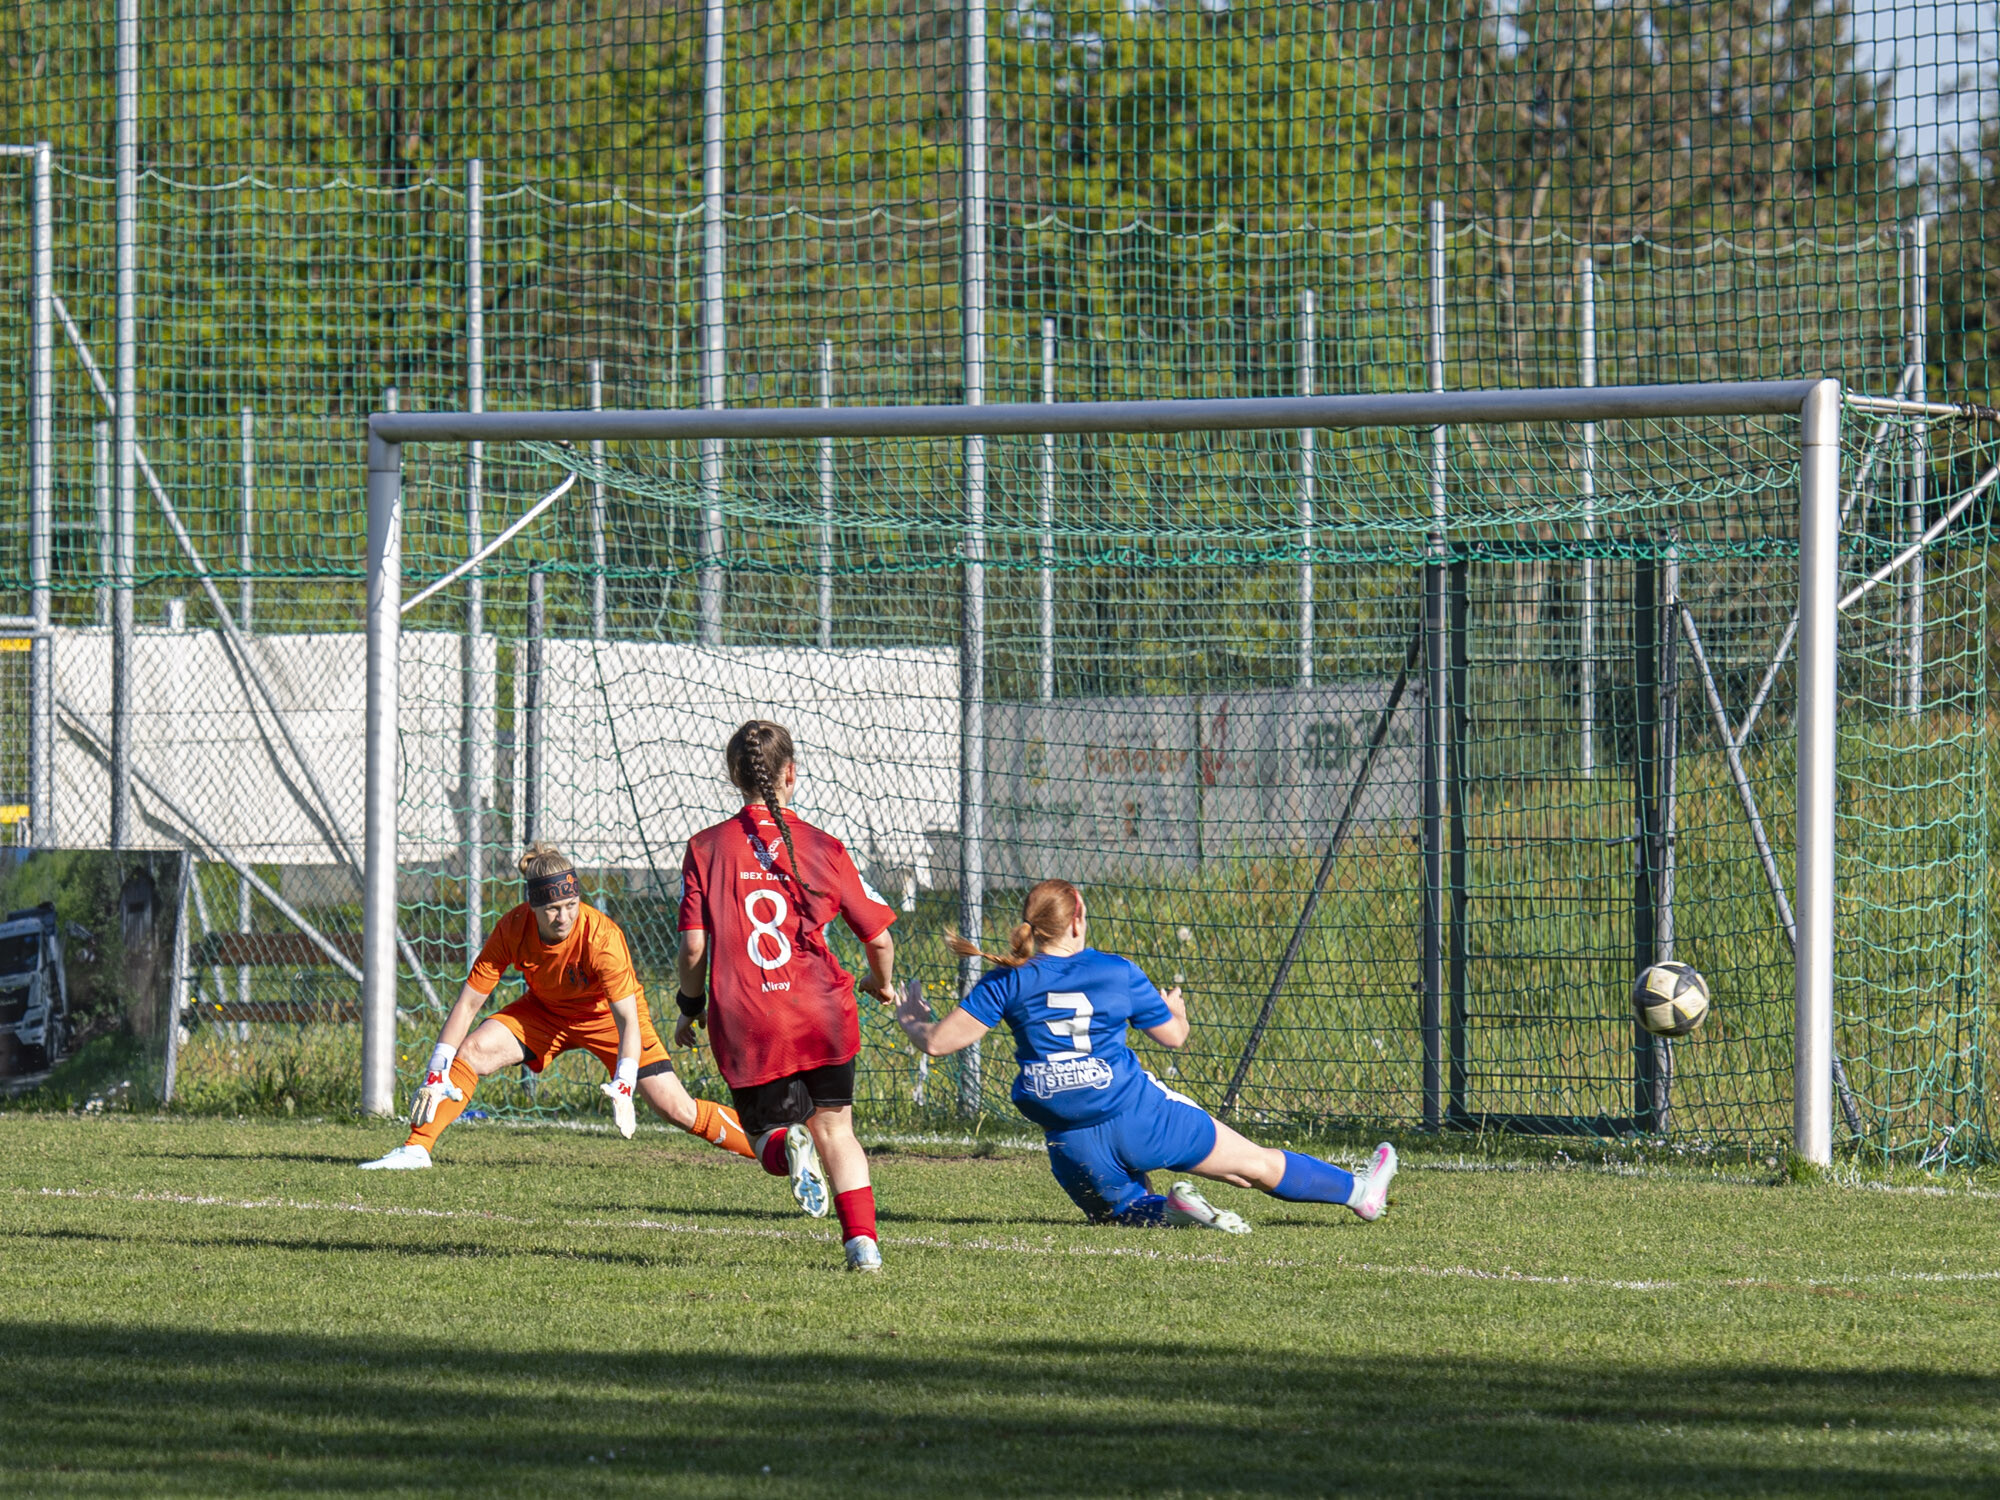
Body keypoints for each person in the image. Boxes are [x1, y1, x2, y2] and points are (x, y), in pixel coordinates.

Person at [895, 878, 1397, 1233]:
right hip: (1143, 1118)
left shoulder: (1007, 978)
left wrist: (912, 1017)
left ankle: (1173, 1211)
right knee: (1254, 1166)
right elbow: (1173, 1038)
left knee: (1118, 1212)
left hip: (1071, 1140)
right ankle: (1361, 1193)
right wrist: (1176, 1011)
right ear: (1078, 918)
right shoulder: (1118, 971)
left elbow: (937, 1042)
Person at [359, 844, 775, 1183]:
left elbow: (628, 1019)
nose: (564, 917)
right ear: (532, 907)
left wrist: (625, 1079)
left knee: (676, 1108)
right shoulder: (512, 928)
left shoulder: (602, 936)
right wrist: (437, 1067)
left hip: (608, 1021)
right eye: (553, 909)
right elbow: (468, 1003)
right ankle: (416, 1148)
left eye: (572, 904)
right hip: (545, 1013)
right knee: (472, 1051)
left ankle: (777, 1151)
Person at [673, 720, 900, 1272]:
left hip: (751, 1017)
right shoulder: (825, 846)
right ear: (791, 774)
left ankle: (785, 1146)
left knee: (765, 1135)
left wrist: (690, 1007)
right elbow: (878, 938)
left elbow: (694, 947)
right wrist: (882, 983)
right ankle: (863, 1245)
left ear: (734, 776)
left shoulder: (705, 847)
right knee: (837, 1129)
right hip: (823, 1012)